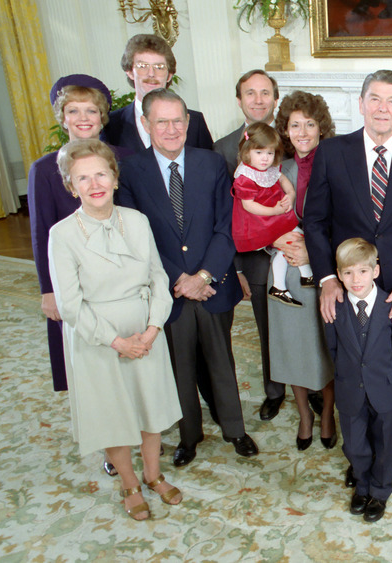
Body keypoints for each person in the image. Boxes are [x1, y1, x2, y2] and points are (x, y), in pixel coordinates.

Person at [304, 70, 392, 485]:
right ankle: (360, 457)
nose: (383, 108)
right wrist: (328, 279)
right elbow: (315, 222)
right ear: (362, 103)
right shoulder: (332, 152)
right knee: (354, 372)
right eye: (375, 99)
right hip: (348, 286)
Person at [117, 89, 257, 467]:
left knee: (221, 360)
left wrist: (204, 274)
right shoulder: (130, 171)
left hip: (213, 283)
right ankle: (189, 436)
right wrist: (180, 279)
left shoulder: (211, 163)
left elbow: (225, 226)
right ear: (146, 125)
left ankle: (234, 429)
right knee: (179, 367)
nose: (171, 128)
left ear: (188, 122)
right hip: (168, 289)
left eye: (178, 120)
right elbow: (136, 235)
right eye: (161, 121)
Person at [48, 139, 183, 521]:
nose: (94, 184)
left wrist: (153, 328)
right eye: (83, 178)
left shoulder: (137, 221)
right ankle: (129, 483)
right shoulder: (62, 234)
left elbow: (158, 277)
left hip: (144, 332)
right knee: (114, 416)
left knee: (150, 409)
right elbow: (70, 304)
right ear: (72, 186)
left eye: (101, 174)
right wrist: (116, 342)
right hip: (98, 339)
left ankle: (154, 475)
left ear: (114, 177)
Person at [28, 74, 133, 477]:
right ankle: (111, 448)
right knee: (96, 368)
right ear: (63, 116)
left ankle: (141, 428)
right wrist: (48, 290)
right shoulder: (42, 170)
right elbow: (41, 234)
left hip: (124, 282)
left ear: (103, 115)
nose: (84, 118)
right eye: (74, 111)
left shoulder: (124, 157)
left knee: (131, 360)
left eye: (92, 110)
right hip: (79, 285)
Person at [325, 238, 392, 523]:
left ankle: (380, 490)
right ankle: (362, 485)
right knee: (355, 445)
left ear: (375, 270)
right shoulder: (334, 308)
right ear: (339, 274)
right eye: (348, 272)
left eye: (363, 271)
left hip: (384, 388)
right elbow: (332, 348)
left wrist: (391, 374)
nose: (356, 279)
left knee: (384, 443)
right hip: (349, 387)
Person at [214, 69, 285, 421]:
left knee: (305, 324)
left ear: (275, 98)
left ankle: (313, 386)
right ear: (239, 99)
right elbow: (223, 215)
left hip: (296, 251)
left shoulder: (294, 138)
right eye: (250, 93)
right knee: (267, 326)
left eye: (265, 92)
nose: (258, 99)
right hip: (252, 258)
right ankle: (275, 390)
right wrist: (237, 267)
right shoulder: (223, 149)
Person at [270, 90, 338, 452]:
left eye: (309, 124)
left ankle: (327, 412)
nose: (302, 131)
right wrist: (277, 244)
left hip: (323, 269)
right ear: (285, 129)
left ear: (321, 127)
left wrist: (311, 249)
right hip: (284, 269)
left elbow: (345, 219)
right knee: (291, 348)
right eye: (294, 125)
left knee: (321, 348)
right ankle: (304, 414)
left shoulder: (337, 161)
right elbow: (254, 216)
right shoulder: (276, 166)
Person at [230, 122, 309, 307]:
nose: (265, 158)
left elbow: (284, 181)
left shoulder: (271, 169)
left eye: (270, 153)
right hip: (258, 223)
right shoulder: (245, 176)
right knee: (291, 239)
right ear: (247, 152)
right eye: (259, 153)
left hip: (273, 217)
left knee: (296, 238)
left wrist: (290, 195)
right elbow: (249, 206)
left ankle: (292, 281)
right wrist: (275, 210)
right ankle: (293, 280)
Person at [102, 34, 212, 152]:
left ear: (169, 75)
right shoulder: (110, 124)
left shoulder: (195, 122)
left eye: (159, 67)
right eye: (142, 66)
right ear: (130, 72)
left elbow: (209, 166)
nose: (151, 73)